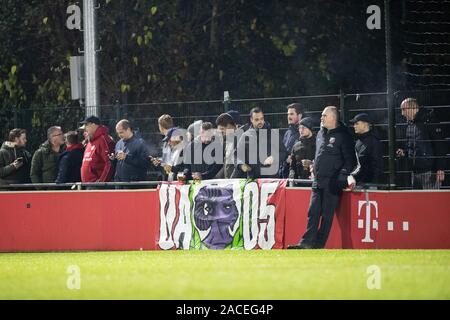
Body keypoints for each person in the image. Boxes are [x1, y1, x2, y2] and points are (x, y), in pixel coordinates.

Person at [288, 106, 356, 249]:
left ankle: (318, 245)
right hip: (317, 181)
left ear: (333, 117)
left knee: (326, 216)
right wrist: (314, 165)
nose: (321, 118)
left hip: (332, 183)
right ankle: (305, 243)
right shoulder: (320, 133)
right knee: (312, 212)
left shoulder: (344, 136)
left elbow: (350, 160)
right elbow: (320, 155)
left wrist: (341, 176)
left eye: (324, 115)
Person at [396, 98, 446, 189]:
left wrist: (440, 168)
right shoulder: (410, 125)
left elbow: (439, 145)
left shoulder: (429, 121)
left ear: (414, 108)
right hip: (414, 172)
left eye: (404, 109)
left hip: (430, 172)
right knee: (417, 202)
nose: (402, 113)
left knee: (430, 201)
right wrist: (405, 152)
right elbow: (412, 147)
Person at [234, 107, 287, 179]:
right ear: (251, 120)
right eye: (257, 119)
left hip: (272, 178)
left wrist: (274, 157)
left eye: (262, 119)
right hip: (253, 179)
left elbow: (283, 152)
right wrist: (241, 165)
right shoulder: (245, 136)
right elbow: (236, 155)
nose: (260, 121)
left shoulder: (273, 134)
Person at [112, 119, 149, 186]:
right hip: (119, 184)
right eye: (118, 133)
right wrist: (113, 159)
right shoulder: (118, 143)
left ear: (128, 129)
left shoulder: (140, 143)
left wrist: (127, 157)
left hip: (134, 184)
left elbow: (145, 163)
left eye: (121, 132)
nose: (119, 135)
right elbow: (118, 163)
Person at [349, 113, 383, 185]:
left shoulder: (374, 141)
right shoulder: (359, 141)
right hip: (359, 182)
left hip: (369, 184)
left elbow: (377, 165)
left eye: (357, 123)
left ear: (365, 124)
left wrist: (374, 183)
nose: (354, 126)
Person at [80, 116, 115, 183]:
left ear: (94, 125)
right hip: (89, 185)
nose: (85, 128)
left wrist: (101, 182)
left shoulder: (103, 139)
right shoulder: (90, 141)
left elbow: (109, 163)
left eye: (86, 124)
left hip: (98, 186)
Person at [280, 103, 305, 178]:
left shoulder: (304, 132)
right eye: (288, 114)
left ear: (299, 116)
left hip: (297, 173)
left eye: (291, 114)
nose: (289, 117)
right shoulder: (288, 132)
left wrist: (293, 158)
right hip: (284, 171)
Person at [150, 114, 174, 179]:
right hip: (169, 178)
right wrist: (160, 162)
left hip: (175, 178)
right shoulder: (166, 141)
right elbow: (167, 161)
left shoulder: (173, 140)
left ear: (160, 126)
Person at [215, 113, 239, 179]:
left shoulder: (242, 138)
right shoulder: (227, 141)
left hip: (237, 182)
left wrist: (231, 180)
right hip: (230, 183)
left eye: (222, 130)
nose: (222, 134)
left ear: (230, 126)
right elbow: (226, 165)